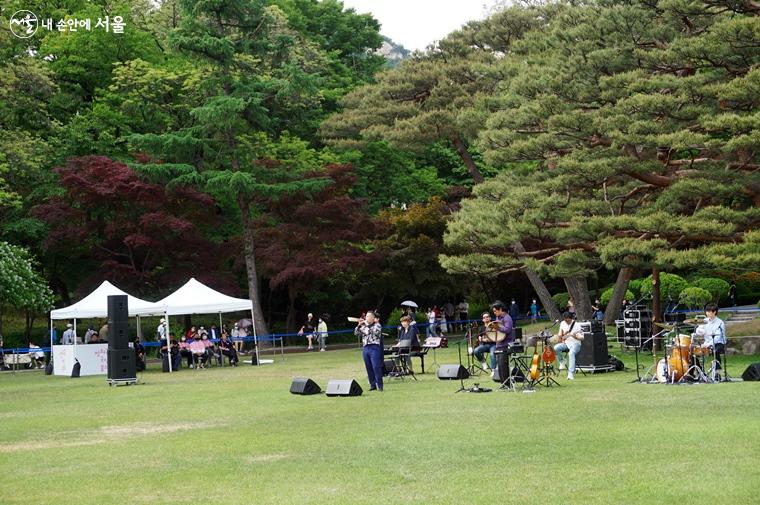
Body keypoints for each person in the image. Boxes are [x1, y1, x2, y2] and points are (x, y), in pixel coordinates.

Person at [355, 310, 384, 391]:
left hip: (374, 347)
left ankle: (380, 385)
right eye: (366, 316)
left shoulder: (377, 325)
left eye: (368, 316)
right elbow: (356, 333)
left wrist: (366, 325)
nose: (366, 318)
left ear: (373, 318)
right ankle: (372, 385)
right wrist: (358, 325)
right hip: (365, 348)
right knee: (369, 367)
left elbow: (372, 332)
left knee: (376, 367)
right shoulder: (364, 325)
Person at [553, 311, 585, 380]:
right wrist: (561, 337)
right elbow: (560, 334)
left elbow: (582, 338)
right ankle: (562, 361)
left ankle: (570, 374)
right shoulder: (562, 323)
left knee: (571, 353)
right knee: (556, 348)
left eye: (568, 321)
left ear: (571, 319)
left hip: (576, 344)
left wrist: (575, 337)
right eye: (565, 320)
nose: (567, 322)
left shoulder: (577, 325)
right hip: (566, 343)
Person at [697, 303, 727, 377]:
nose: (707, 313)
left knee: (715, 351)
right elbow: (698, 331)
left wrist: (708, 344)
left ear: (714, 312)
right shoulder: (705, 320)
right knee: (693, 351)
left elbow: (717, 338)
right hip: (706, 343)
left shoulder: (720, 323)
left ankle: (717, 372)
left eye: (709, 311)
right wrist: (700, 331)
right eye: (706, 311)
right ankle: (699, 371)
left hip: (719, 343)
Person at [490, 301, 515, 377]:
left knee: (503, 364)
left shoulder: (507, 318)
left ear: (500, 309)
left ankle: (507, 383)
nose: (494, 313)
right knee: (500, 365)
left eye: (495, 311)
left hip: (506, 344)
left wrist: (497, 327)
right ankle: (503, 382)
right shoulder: (498, 317)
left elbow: (507, 330)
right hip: (499, 343)